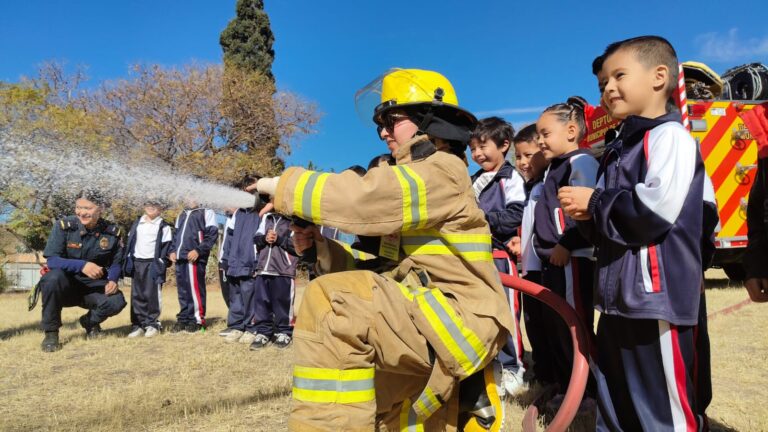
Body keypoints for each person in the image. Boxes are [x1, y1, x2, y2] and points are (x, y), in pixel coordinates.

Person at [254, 68, 513, 430]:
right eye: (380, 124)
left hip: (458, 322)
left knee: (330, 303)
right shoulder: (416, 183)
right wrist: (320, 249)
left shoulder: (442, 171)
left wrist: (285, 186)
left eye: (392, 119)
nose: (383, 132)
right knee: (385, 413)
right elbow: (383, 268)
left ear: (429, 120)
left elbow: (366, 197)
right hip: (424, 312)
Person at [559, 35, 707, 430]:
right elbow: (612, 231)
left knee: (661, 409)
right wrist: (586, 218)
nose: (608, 88)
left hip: (654, 303)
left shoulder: (669, 138)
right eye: (602, 83)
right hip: (616, 302)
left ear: (659, 76)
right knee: (617, 403)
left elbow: (653, 212)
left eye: (618, 75)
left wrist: (593, 203)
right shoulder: (619, 148)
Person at [533, 96, 598, 412]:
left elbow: (583, 213)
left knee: (575, 326)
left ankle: (586, 393)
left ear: (572, 130)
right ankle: (568, 386)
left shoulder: (581, 163)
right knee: (559, 326)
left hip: (571, 259)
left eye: (545, 134)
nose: (540, 141)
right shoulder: (554, 167)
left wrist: (566, 244)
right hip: (555, 261)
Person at [468, 116, 527, 395]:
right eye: (473, 149)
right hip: (476, 259)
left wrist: (480, 220)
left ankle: (515, 368)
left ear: (505, 145)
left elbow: (516, 214)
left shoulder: (510, 177)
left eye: (482, 147)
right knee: (485, 315)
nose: (477, 154)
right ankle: (493, 367)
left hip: (501, 257)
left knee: (506, 315)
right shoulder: (474, 181)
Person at [38, 191, 127, 352]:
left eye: (88, 208)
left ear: (101, 209)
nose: (82, 212)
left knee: (117, 301)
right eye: (78, 207)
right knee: (52, 278)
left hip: (92, 288)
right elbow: (52, 260)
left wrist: (113, 279)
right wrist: (82, 265)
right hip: (65, 286)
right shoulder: (64, 226)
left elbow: (116, 263)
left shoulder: (112, 232)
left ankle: (90, 322)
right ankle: (51, 333)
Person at [510, 123, 554, 388]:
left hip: (545, 268)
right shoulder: (531, 186)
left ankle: (562, 380)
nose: (523, 162)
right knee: (534, 326)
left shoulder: (548, 183)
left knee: (552, 327)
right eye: (518, 156)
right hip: (530, 269)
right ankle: (545, 375)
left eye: (529, 155)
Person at [219, 176, 271, 343]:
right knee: (236, 296)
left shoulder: (261, 214)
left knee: (250, 296)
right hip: (234, 264)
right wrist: (226, 260)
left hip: (250, 264)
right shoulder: (238, 214)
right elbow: (229, 238)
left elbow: (262, 242)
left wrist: (258, 264)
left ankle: (251, 327)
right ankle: (236, 326)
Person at [123, 200, 173, 338]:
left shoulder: (163, 226)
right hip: (137, 263)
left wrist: (162, 263)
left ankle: (152, 324)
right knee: (137, 295)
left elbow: (166, 248)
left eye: (155, 204)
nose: (151, 207)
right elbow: (130, 242)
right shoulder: (137, 223)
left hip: (153, 264)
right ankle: (138, 325)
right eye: (147, 203)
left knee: (152, 295)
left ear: (161, 208)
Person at [250, 209, 299, 349]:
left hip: (284, 270)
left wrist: (279, 239)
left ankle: (284, 332)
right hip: (263, 269)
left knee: (283, 304)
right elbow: (256, 238)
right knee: (261, 303)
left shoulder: (295, 220)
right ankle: (263, 332)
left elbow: (297, 246)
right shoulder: (267, 217)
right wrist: (265, 238)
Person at [168, 199, 218, 333]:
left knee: (195, 290)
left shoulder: (207, 212)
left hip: (194, 258)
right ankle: (184, 319)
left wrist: (198, 250)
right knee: (183, 291)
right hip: (180, 258)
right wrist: (172, 251)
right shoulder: (182, 214)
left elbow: (211, 236)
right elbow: (176, 236)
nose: (191, 198)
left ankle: (197, 320)